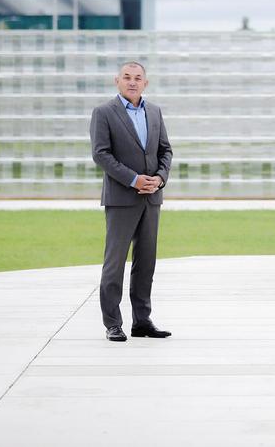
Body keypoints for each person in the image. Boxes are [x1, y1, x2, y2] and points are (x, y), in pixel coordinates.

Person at [90, 61, 173, 342]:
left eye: (138, 78)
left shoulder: (154, 111)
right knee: (115, 263)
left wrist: (159, 179)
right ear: (117, 81)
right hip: (121, 198)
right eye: (127, 77)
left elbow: (165, 150)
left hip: (151, 198)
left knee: (145, 262)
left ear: (145, 83)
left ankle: (142, 321)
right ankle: (113, 323)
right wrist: (134, 179)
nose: (132, 82)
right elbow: (101, 154)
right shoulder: (104, 112)